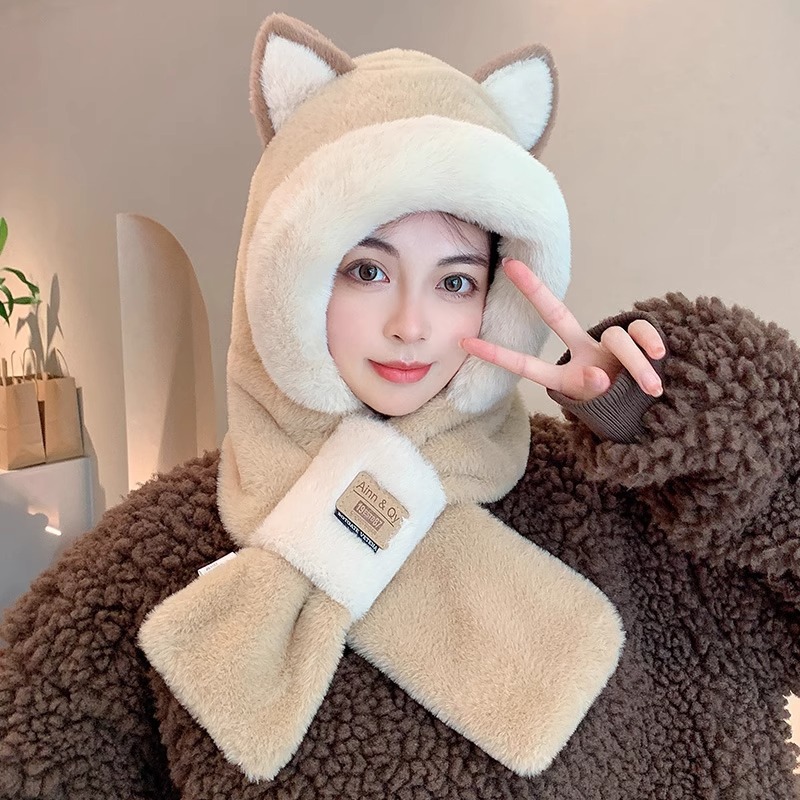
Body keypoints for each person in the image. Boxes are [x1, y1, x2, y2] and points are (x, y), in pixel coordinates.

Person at [1, 12, 798, 800]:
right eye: (367, 271)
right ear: (288, 273)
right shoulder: (161, 547)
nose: (411, 325)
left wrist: (664, 415)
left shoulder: (603, 506)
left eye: (455, 281)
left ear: (497, 295)